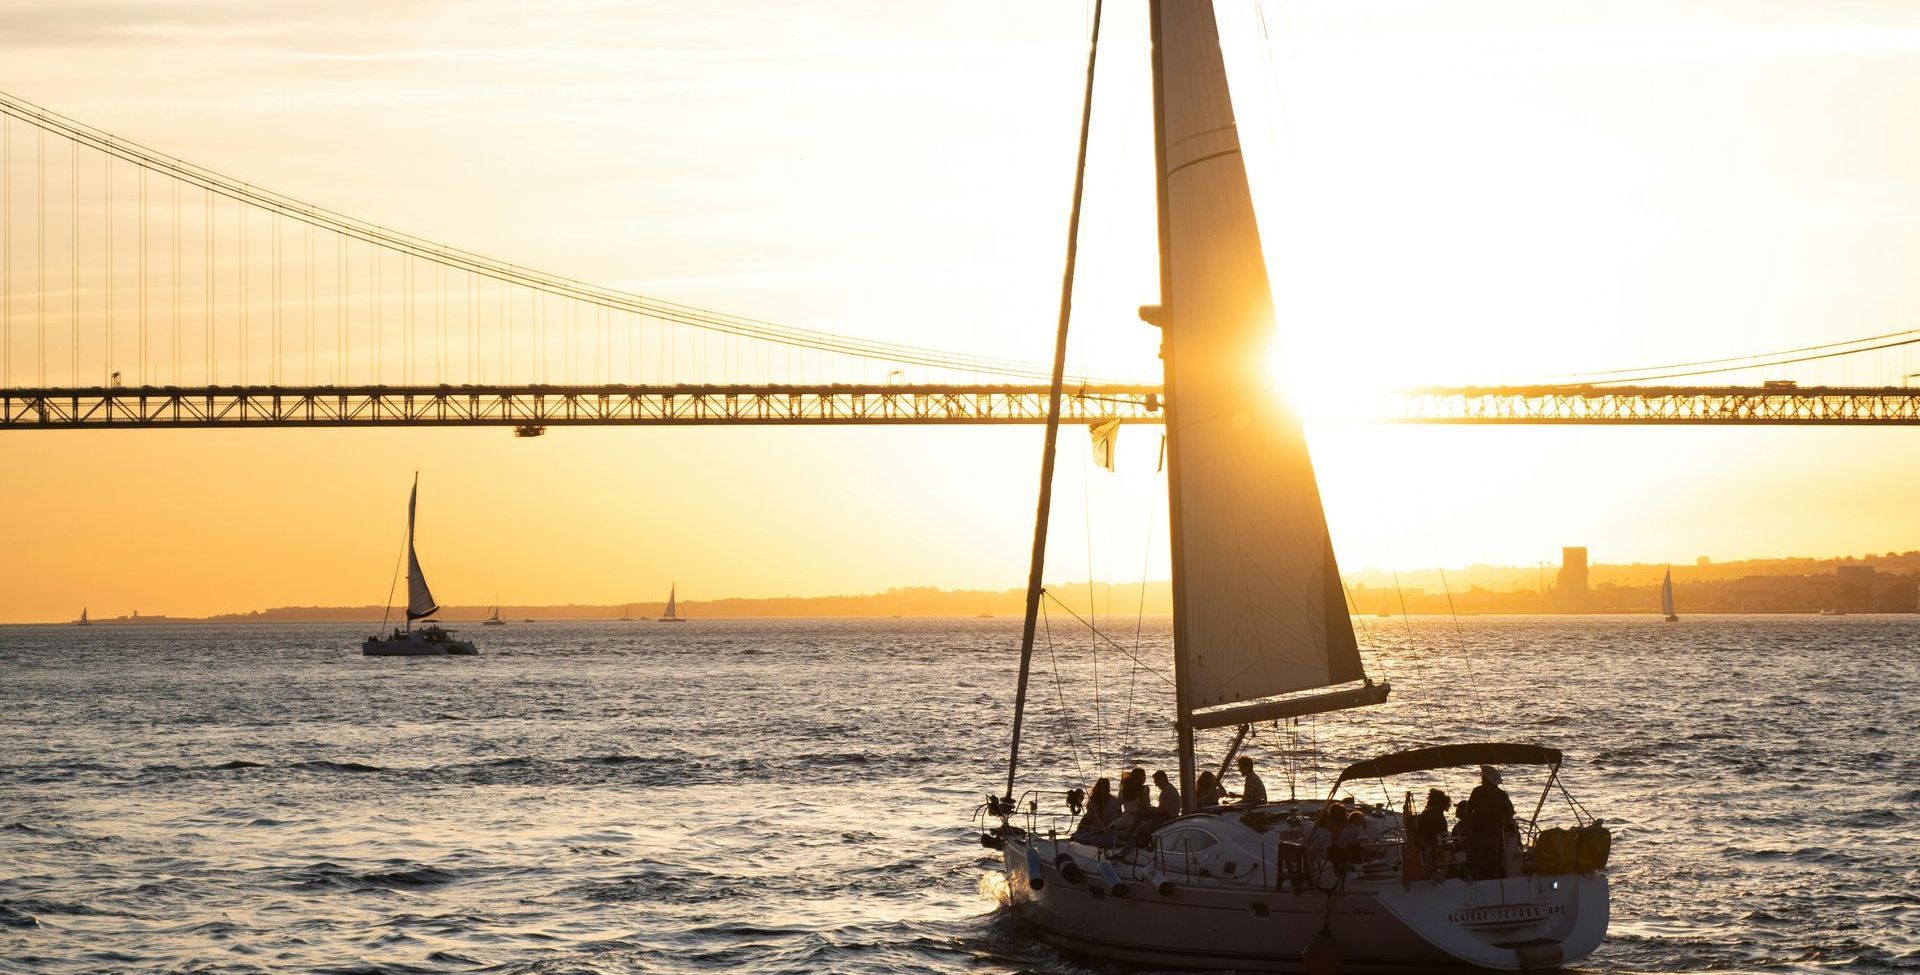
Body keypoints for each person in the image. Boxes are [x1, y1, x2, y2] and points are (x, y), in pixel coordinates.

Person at [1464, 766, 1514, 879]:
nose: (1481, 779)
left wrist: (1473, 821)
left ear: (1487, 779)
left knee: (1475, 860)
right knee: (1493, 861)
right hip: (1495, 833)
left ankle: (1476, 881)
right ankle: (1494, 882)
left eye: (1482, 777)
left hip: (1478, 833)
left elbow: (1468, 809)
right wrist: (1502, 824)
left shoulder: (1478, 791)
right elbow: (1510, 813)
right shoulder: (1502, 794)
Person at [1072, 777, 1118, 844]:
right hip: (1110, 831)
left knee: (1078, 835)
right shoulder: (1115, 801)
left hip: (1097, 831)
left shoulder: (1091, 803)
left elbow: (1089, 818)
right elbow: (1117, 817)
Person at [1415, 788, 1452, 855]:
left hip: (1427, 843)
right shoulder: (1434, 813)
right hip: (1433, 845)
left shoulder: (1428, 811)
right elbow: (1438, 832)